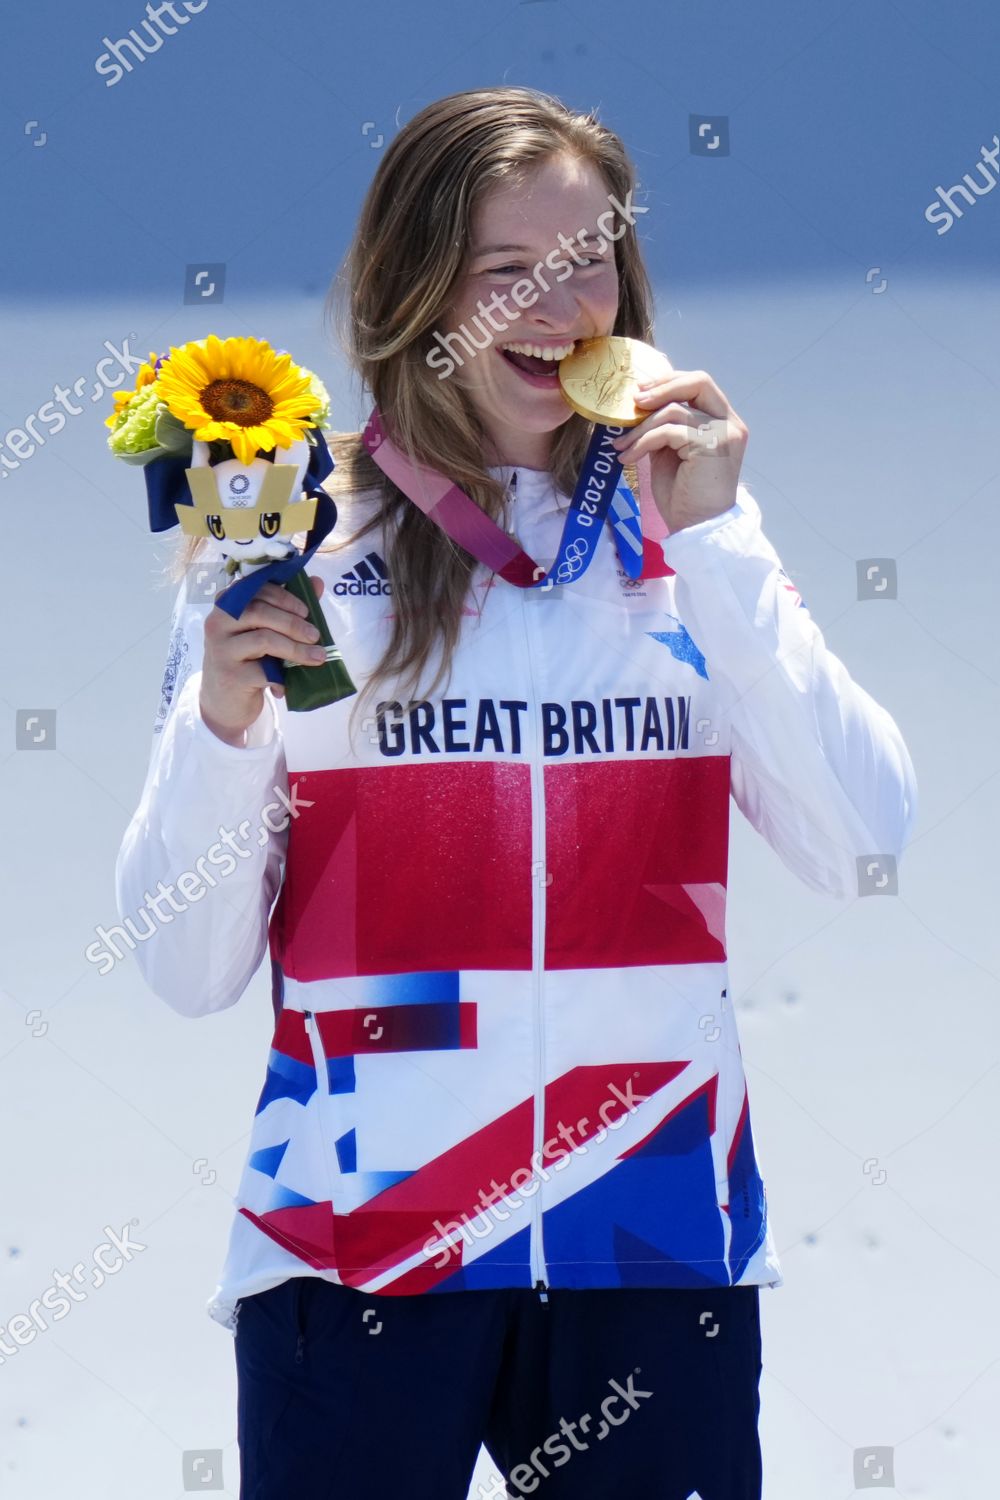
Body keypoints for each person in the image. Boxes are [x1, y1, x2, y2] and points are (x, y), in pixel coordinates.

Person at [115, 85, 918, 1500]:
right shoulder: (298, 539)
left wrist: (720, 550)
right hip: (360, 1241)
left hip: (650, 1230)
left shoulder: (687, 525)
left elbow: (866, 844)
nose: (564, 303)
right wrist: (223, 721)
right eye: (509, 273)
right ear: (416, 288)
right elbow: (186, 967)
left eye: (589, 258)